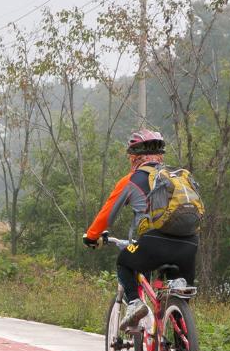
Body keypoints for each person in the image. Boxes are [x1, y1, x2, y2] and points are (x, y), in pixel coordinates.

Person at [83, 129, 201, 335]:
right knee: (177, 296)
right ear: (160, 155)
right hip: (189, 244)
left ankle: (135, 303)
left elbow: (106, 216)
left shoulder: (132, 179)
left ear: (136, 157)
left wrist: (92, 237)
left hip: (154, 243)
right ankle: (183, 349)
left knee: (124, 261)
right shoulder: (177, 176)